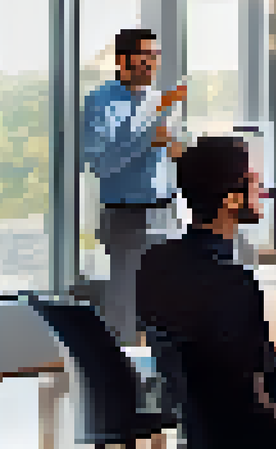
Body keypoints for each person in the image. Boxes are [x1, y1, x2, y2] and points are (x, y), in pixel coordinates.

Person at [136, 136, 276, 448]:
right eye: (253, 182)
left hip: (202, 432)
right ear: (231, 199)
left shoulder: (155, 263)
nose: (262, 192)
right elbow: (259, 397)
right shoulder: (232, 281)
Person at [81, 27, 187, 345]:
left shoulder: (160, 101)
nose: (152, 63)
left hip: (166, 212)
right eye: (145, 56)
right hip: (127, 216)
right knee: (126, 306)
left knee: (170, 303)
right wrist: (147, 139)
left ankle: (166, 381)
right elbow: (102, 164)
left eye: (155, 56)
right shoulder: (100, 102)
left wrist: (177, 148)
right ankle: (122, 380)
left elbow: (167, 149)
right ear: (122, 59)